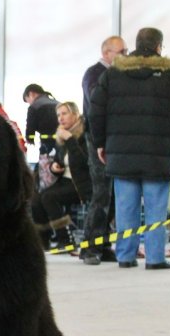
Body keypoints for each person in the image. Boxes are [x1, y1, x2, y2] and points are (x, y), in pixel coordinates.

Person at [89, 27, 170, 270]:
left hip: (121, 152)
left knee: (126, 207)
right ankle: (155, 258)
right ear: (159, 46)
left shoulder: (113, 73)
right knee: (156, 208)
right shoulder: (169, 73)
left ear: (135, 45)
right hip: (157, 152)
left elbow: (95, 110)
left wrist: (100, 143)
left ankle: (125, 257)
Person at [79, 35, 127, 265]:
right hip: (98, 140)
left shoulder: (115, 74)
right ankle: (89, 245)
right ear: (107, 52)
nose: (126, 55)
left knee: (113, 194)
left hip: (112, 140)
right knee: (101, 194)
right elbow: (98, 107)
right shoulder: (94, 74)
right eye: (122, 51)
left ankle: (104, 243)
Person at [32, 101, 92, 249]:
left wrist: (70, 140)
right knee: (36, 199)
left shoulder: (84, 135)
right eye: (58, 115)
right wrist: (54, 167)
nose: (60, 118)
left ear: (75, 114)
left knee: (48, 197)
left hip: (81, 184)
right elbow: (60, 161)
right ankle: (43, 239)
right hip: (64, 181)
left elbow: (84, 162)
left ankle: (65, 237)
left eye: (64, 114)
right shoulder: (61, 136)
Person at [22, 83, 59, 155]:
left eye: (28, 100)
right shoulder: (58, 103)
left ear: (31, 94)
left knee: (46, 163)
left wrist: (30, 139)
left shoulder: (34, 106)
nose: (29, 103)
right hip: (63, 139)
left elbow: (30, 126)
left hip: (47, 142)